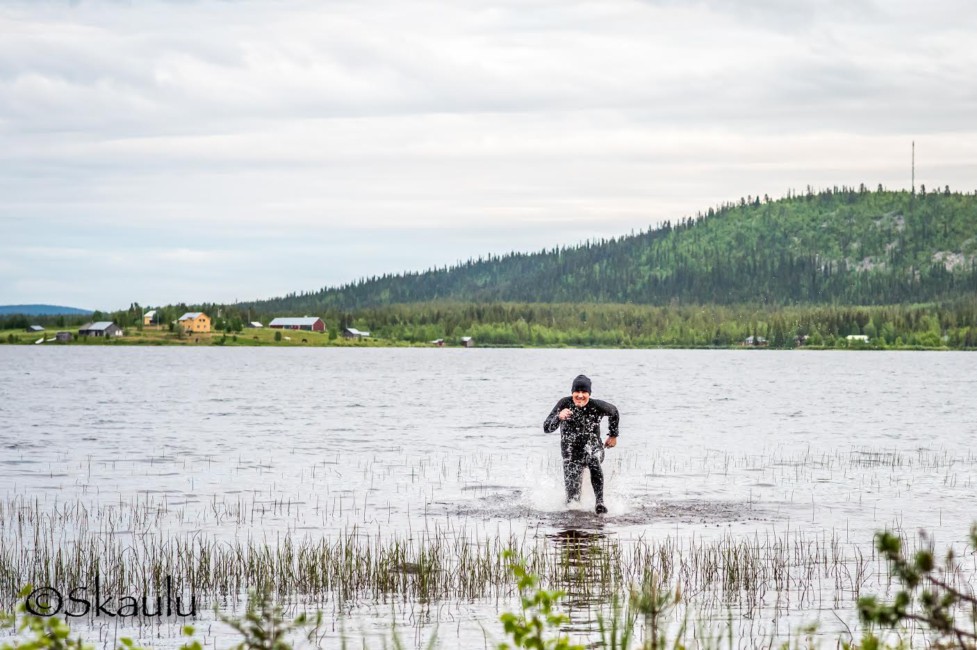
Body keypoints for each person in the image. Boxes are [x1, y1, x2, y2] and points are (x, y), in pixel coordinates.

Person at [543, 374, 619, 514]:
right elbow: (546, 428)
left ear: (589, 393)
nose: (580, 395)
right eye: (577, 392)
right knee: (572, 503)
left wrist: (613, 435)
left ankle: (599, 503)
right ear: (572, 392)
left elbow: (614, 411)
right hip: (571, 454)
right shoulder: (564, 404)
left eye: (584, 392)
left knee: (592, 458)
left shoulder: (596, 406)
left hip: (594, 448)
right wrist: (558, 417)